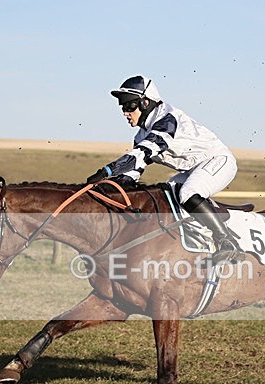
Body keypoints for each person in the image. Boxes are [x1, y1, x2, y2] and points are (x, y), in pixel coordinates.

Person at [86, 75, 244, 263]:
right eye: (122, 107)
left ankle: (228, 243)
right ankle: (198, 243)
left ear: (145, 103)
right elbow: (131, 176)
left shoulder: (167, 119)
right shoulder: (140, 136)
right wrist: (106, 187)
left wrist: (107, 171)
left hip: (218, 161)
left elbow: (145, 151)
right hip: (192, 169)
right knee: (165, 194)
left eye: (129, 106)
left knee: (188, 193)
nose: (124, 112)